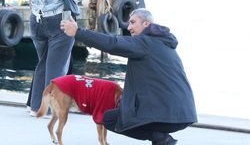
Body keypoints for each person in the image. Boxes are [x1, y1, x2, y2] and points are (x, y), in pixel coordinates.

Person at [60, 8, 197, 145]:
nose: (129, 27)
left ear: (146, 24)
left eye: (132, 22)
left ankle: (162, 139)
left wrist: (78, 32)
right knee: (119, 115)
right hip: (184, 113)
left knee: (109, 119)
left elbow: (112, 43)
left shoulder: (144, 43)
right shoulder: (164, 43)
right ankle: (161, 139)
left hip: (165, 115)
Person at [28, 0, 80, 115]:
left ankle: (36, 107)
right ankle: (49, 109)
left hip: (36, 19)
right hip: (60, 16)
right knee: (57, 66)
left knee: (43, 62)